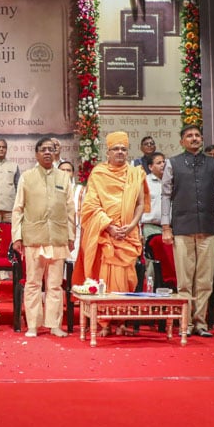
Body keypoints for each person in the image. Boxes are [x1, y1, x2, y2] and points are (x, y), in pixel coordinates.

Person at [159, 124, 214, 338]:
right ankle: (186, 323)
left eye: (197, 135)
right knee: (185, 280)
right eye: (189, 136)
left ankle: (201, 322)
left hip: (208, 227)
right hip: (182, 227)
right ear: (182, 141)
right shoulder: (173, 163)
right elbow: (166, 196)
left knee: (205, 280)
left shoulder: (212, 163)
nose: (194, 138)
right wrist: (166, 227)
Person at [74, 131, 146, 314]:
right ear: (108, 152)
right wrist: (110, 227)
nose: (120, 152)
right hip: (105, 233)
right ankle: (105, 319)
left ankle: (122, 319)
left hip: (128, 234)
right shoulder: (99, 173)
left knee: (127, 276)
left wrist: (131, 226)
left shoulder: (136, 174)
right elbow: (91, 205)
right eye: (116, 149)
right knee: (104, 275)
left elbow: (140, 204)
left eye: (124, 149)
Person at [12, 137, 75, 338]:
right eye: (43, 149)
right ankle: (33, 325)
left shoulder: (64, 178)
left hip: (57, 237)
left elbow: (70, 210)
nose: (48, 152)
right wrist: (17, 236)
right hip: (33, 237)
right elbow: (18, 209)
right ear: (37, 154)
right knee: (33, 283)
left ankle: (54, 325)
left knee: (55, 284)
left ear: (56, 153)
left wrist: (71, 236)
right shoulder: (27, 177)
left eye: (51, 149)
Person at [139, 152, 169, 240]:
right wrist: (139, 232)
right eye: (159, 163)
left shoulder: (171, 181)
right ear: (150, 167)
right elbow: (138, 207)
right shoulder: (145, 182)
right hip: (151, 228)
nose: (162, 165)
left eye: (164, 162)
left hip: (170, 229)